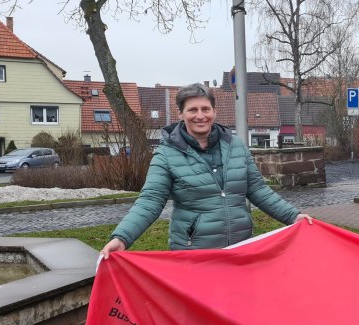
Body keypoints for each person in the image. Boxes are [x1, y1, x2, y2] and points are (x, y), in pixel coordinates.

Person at [100, 83, 311, 258]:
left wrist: (293, 216)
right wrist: (122, 237)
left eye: (205, 109)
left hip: (240, 250)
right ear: (181, 114)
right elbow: (150, 201)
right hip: (194, 254)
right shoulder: (166, 155)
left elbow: (258, 189)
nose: (200, 116)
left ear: (214, 112)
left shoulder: (236, 146)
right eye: (192, 110)